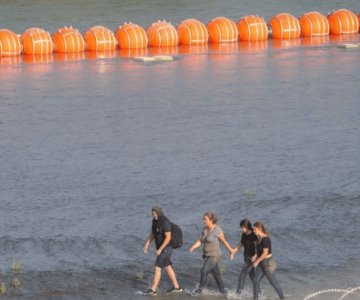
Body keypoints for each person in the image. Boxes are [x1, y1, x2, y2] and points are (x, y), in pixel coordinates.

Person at [189, 212, 234, 294]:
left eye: (205, 219)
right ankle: (223, 291)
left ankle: (199, 290)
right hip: (206, 255)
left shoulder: (217, 230)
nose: (203, 221)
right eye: (203, 219)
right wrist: (193, 247)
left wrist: (231, 251)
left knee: (203, 271)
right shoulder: (204, 230)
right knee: (216, 274)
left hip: (215, 255)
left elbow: (224, 241)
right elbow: (200, 241)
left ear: (211, 220)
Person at [143, 206, 182, 296]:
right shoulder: (154, 221)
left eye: (155, 213)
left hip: (167, 248)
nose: (154, 215)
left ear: (159, 213)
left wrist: (160, 249)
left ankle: (153, 290)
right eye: (153, 213)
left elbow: (168, 238)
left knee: (157, 267)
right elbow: (153, 234)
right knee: (167, 267)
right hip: (161, 249)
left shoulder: (165, 222)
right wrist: (147, 244)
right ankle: (177, 287)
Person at [252, 222, 285, 300]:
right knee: (255, 280)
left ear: (260, 229)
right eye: (253, 229)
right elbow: (260, 252)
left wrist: (256, 261)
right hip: (262, 263)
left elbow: (265, 253)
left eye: (255, 229)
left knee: (274, 283)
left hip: (268, 264)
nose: (253, 231)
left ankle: (283, 298)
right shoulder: (259, 239)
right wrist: (255, 256)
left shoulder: (265, 239)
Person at [231, 219, 258, 295]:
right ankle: (259, 293)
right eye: (240, 227)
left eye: (242, 228)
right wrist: (233, 252)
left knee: (242, 275)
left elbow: (257, 247)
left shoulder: (253, 236)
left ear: (247, 227)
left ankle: (238, 295)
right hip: (246, 258)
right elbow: (240, 244)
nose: (240, 229)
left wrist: (255, 256)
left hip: (251, 259)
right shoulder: (244, 234)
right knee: (252, 277)